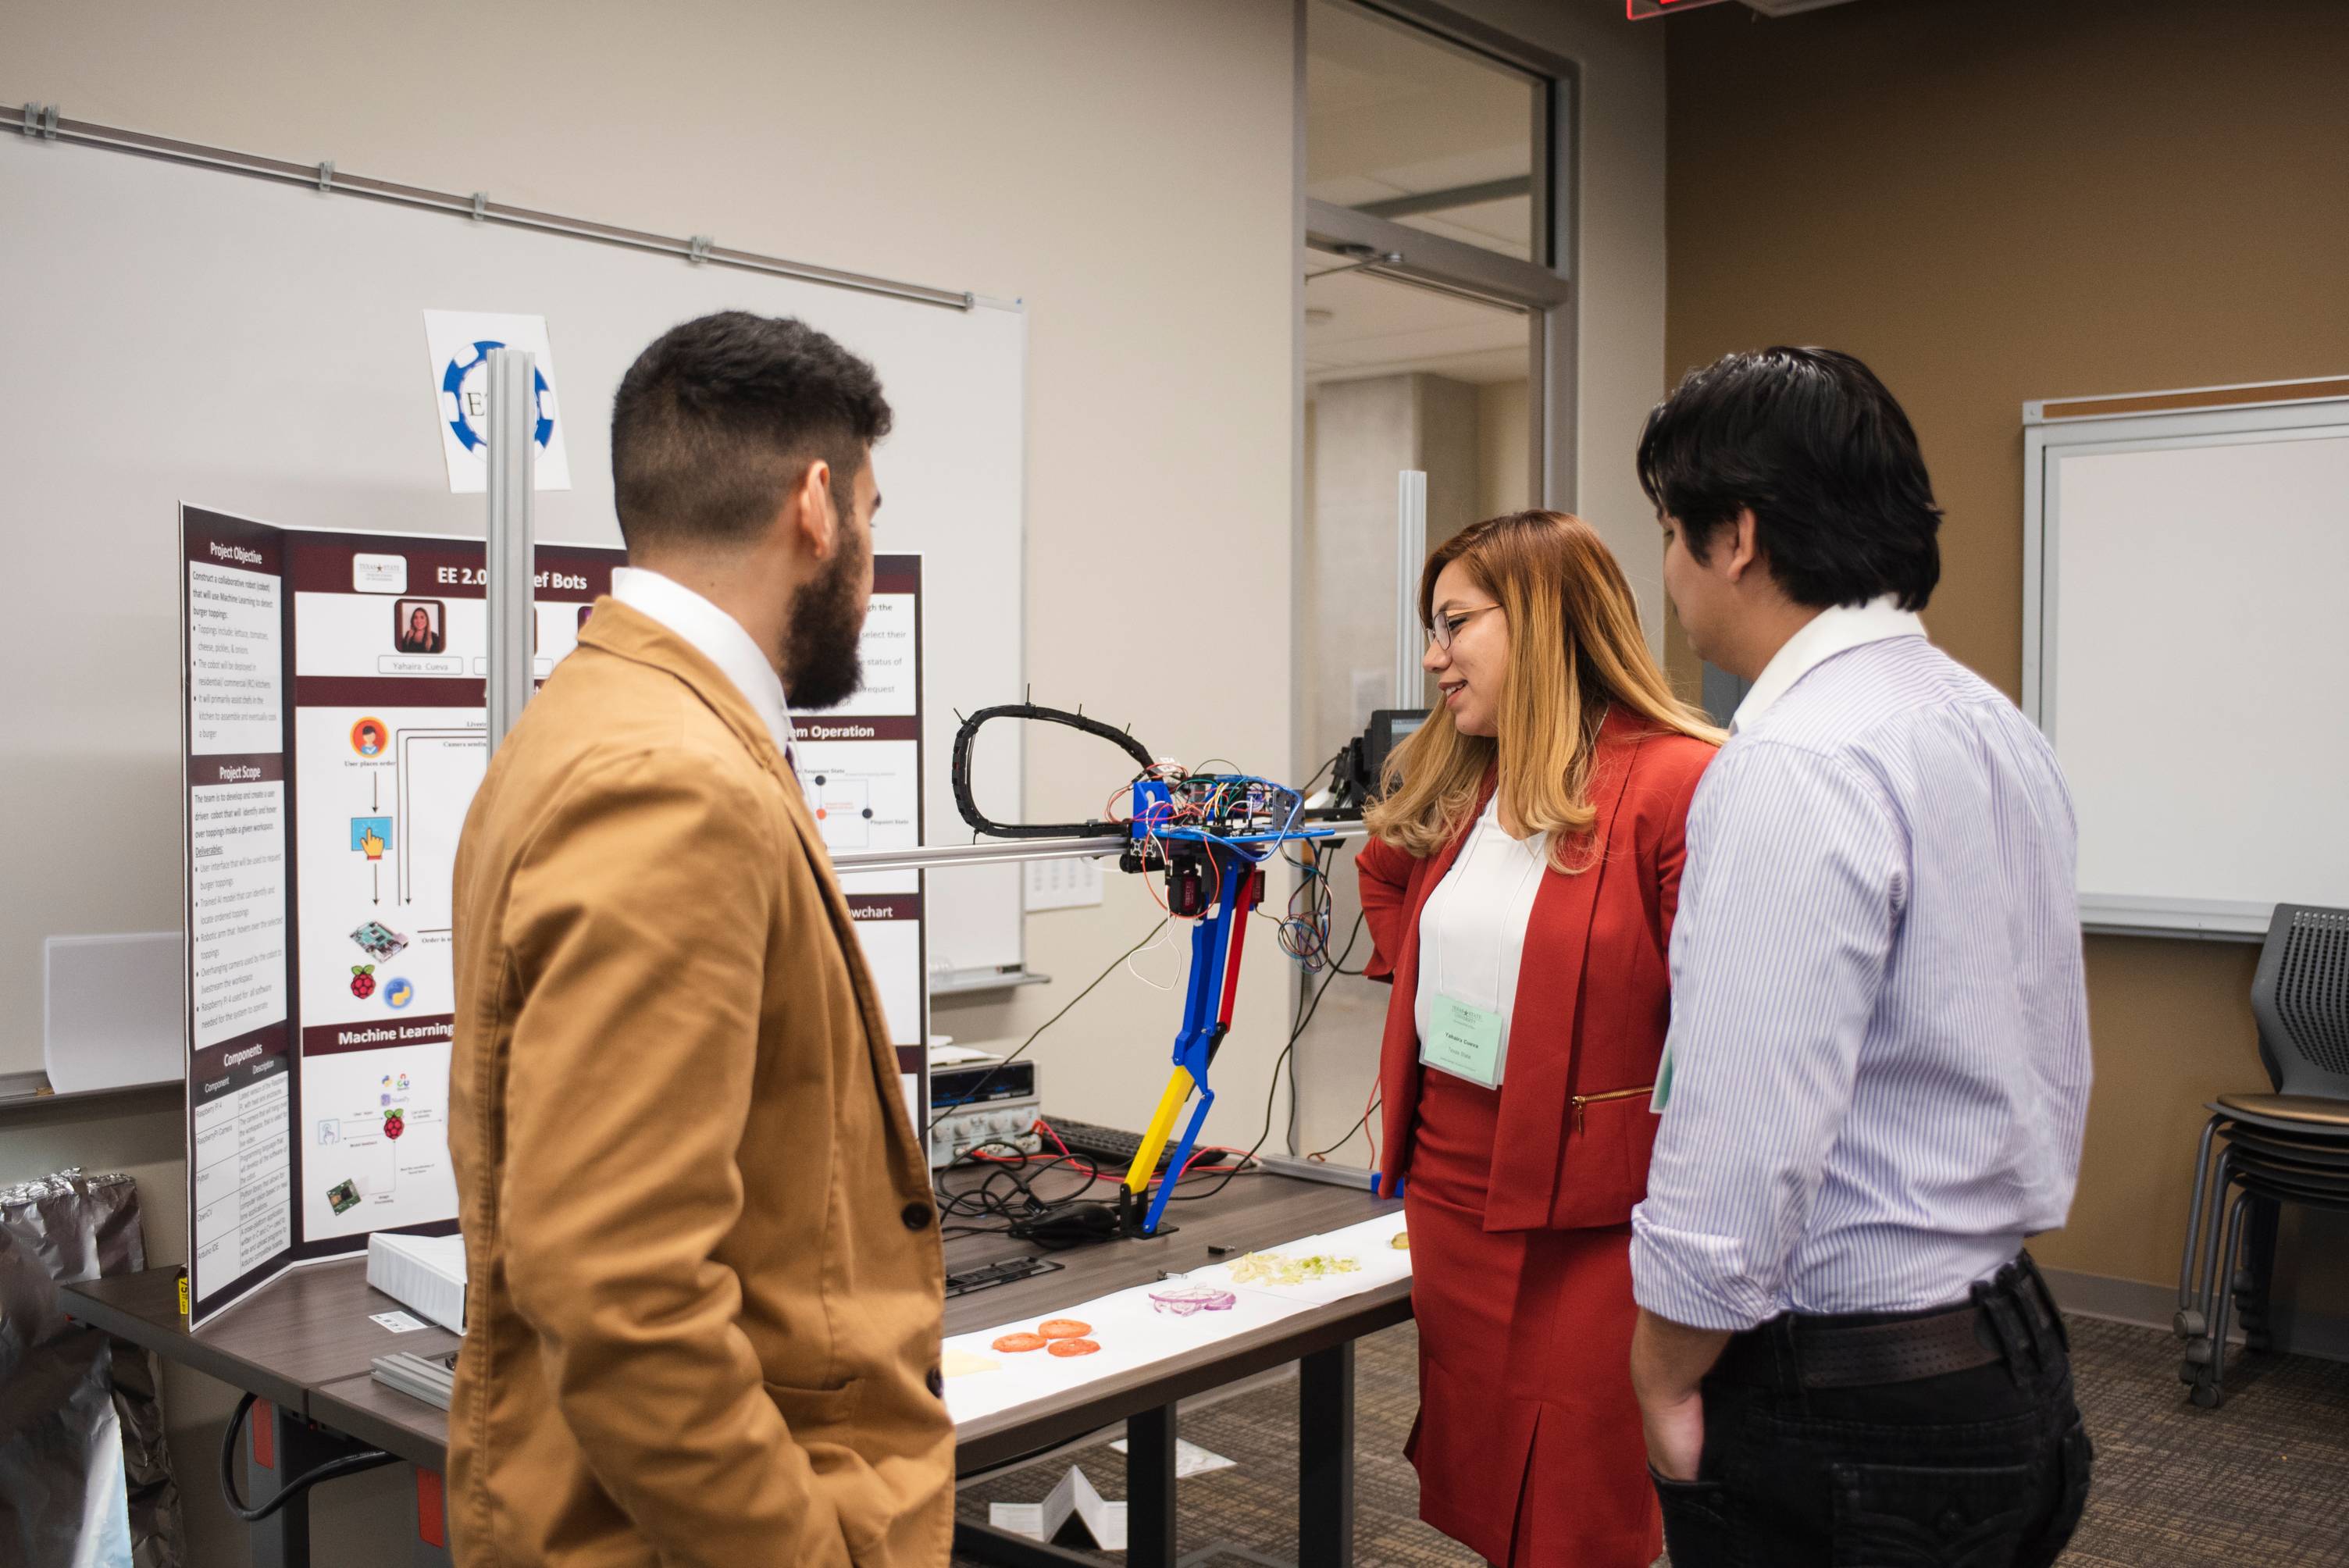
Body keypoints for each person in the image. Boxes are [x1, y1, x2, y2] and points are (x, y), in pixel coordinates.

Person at [447, 311, 952, 1567]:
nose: (871, 566)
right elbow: (622, 1294)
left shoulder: (600, 714)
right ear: (816, 507)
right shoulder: (672, 780)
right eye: (872, 517)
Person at [1627, 347, 2094, 1566]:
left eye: (1671, 532)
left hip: (1852, 1406)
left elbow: (1745, 1133)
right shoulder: (1991, 724)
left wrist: (1661, 1368)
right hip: (2010, 1356)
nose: (1668, 571)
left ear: (1736, 536)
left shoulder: (1794, 761)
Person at [1355, 510, 1720, 1566]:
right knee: (1491, 1491)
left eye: (1454, 624)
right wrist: (1438, 988)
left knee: (1576, 1508)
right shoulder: (1464, 769)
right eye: (1431, 631)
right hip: (1453, 1187)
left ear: (1542, 618)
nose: (1434, 658)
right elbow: (1384, 872)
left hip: (1600, 1218)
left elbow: (1727, 1021)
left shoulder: (1678, 781)